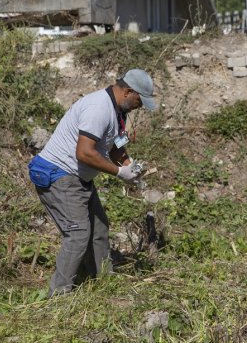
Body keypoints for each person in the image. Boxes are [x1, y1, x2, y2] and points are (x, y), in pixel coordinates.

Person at [28, 69, 157, 297]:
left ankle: (103, 281)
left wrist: (131, 166)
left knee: (99, 228)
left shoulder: (118, 111)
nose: (140, 106)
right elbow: (84, 153)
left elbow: (115, 145)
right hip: (58, 174)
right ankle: (58, 296)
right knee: (78, 234)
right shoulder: (98, 108)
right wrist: (119, 173)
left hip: (78, 176)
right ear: (128, 91)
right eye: (139, 100)